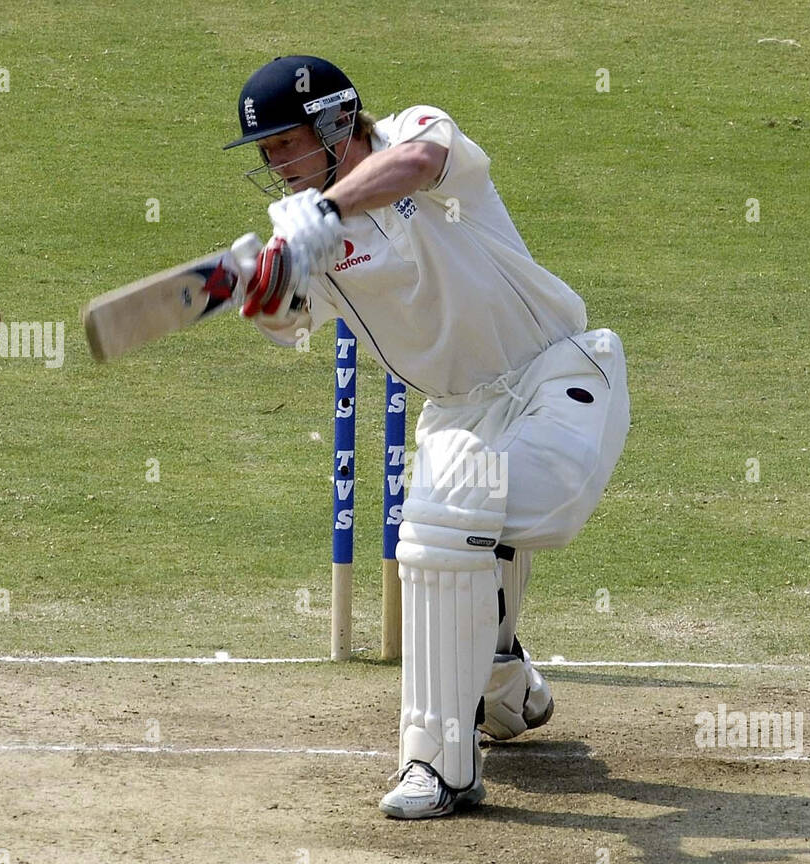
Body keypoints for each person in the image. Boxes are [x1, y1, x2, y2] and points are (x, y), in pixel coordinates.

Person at [226, 55, 630, 819]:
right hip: (454, 415)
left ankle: (492, 671)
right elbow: (285, 319)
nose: (274, 164)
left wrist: (321, 220)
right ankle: (454, 741)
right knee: (442, 524)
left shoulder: (414, 131)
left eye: (284, 143)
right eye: (265, 151)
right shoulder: (297, 230)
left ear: (334, 122)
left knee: (459, 516)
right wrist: (264, 283)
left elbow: (416, 164)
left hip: (559, 376)